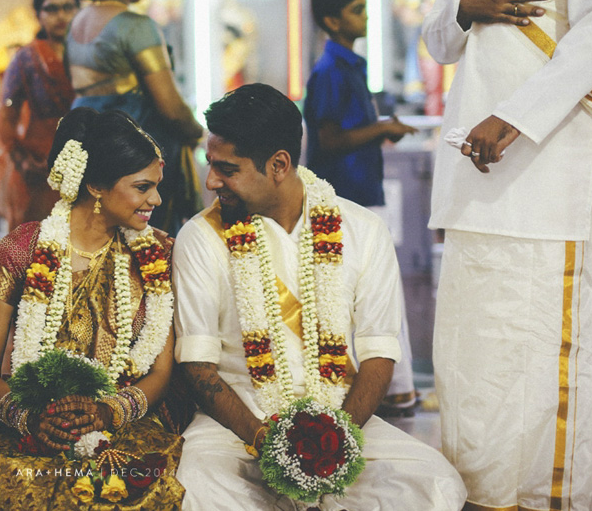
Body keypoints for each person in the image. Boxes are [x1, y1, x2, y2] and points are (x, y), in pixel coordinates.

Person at [173, 84, 466, 510]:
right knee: (200, 488)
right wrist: (265, 441)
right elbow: (198, 367)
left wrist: (332, 444)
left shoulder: (362, 230)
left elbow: (379, 353)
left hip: (343, 421)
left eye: (226, 168)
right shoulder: (200, 237)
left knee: (436, 484)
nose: (211, 179)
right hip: (236, 432)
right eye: (211, 164)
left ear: (278, 165)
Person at [421, 0, 592, 508]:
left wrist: (515, 117)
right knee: (475, 350)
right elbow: (439, 41)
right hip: (475, 176)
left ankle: (547, 497)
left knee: (540, 347)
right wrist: (466, 4)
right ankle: (483, 491)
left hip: (550, 170)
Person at [0, 107, 185, 510]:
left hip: (122, 425)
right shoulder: (21, 250)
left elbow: (161, 371)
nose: (156, 199)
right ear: (97, 186)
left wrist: (106, 412)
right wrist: (30, 419)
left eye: (156, 186)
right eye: (142, 187)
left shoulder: (156, 255)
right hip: (30, 423)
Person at [65, 0, 203, 236]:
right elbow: (170, 107)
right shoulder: (136, 26)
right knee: (146, 249)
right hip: (133, 152)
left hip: (87, 148)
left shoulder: (76, 23)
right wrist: (197, 132)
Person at [304, 0, 416, 208]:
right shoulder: (331, 70)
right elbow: (330, 140)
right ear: (333, 22)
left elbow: (352, 130)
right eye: (357, 10)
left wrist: (381, 130)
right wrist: (382, 127)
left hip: (358, 191)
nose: (366, 16)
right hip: (340, 196)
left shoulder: (352, 66)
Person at [0, 0, 79, 228]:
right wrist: (23, 161)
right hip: (40, 166)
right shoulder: (25, 59)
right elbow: (7, 114)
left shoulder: (87, 54)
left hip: (86, 162)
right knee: (41, 245)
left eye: (68, 7)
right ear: (38, 15)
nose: (60, 15)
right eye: (51, 9)